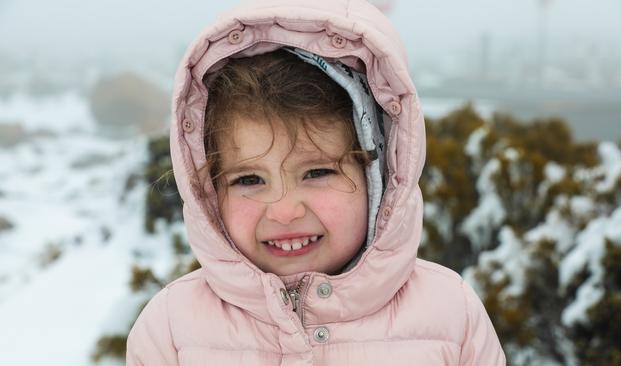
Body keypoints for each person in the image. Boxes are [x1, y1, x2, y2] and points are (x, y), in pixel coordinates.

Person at [126, 0, 506, 364]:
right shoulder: (173, 330)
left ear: (377, 176)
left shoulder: (451, 316)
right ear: (209, 191)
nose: (285, 211)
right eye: (249, 179)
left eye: (318, 172)